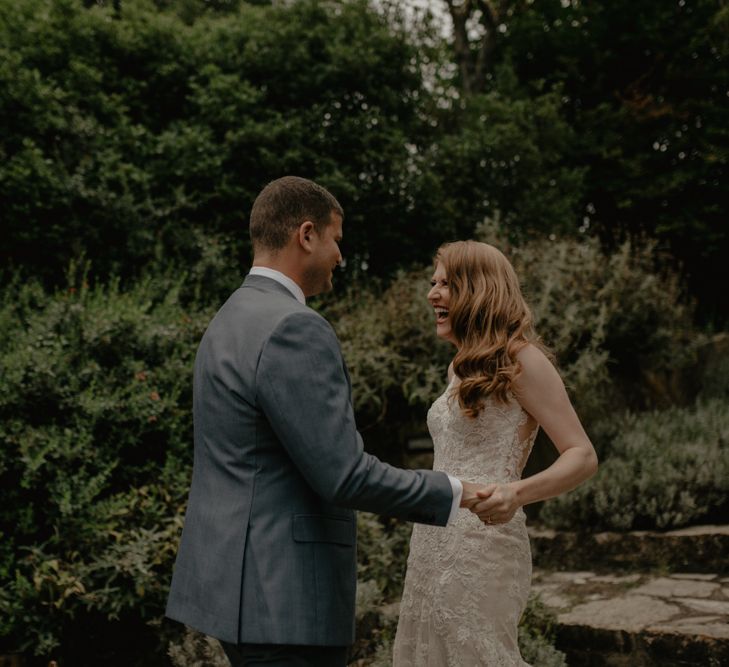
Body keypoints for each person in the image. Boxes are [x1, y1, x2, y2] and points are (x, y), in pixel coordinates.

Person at [165, 177, 488, 667]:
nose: (341, 255)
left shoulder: (229, 317)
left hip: (237, 592)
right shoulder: (296, 327)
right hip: (286, 598)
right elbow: (344, 474)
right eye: (338, 239)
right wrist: (457, 492)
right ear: (308, 234)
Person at [392, 240, 598, 666]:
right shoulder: (459, 367)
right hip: (433, 538)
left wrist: (517, 494)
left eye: (445, 284)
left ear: (479, 289)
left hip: (483, 542)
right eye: (433, 283)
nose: (432, 294)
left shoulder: (524, 361)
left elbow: (581, 454)